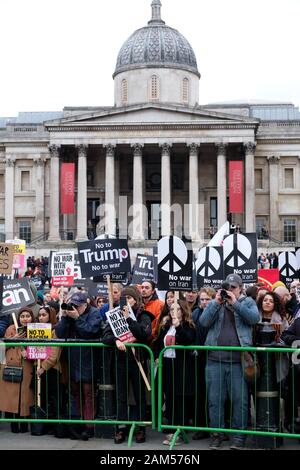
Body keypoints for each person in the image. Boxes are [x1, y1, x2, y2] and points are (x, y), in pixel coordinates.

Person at [200, 273, 259, 449]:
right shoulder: (216, 302)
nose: (229, 290)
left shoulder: (247, 302)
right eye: (227, 287)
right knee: (215, 400)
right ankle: (217, 435)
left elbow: (253, 319)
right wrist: (216, 303)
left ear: (240, 288)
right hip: (214, 360)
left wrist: (235, 303)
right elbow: (203, 322)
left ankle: (239, 437)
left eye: (233, 287)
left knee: (240, 401)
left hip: (238, 361)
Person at [102, 286, 154, 444]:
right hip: (121, 361)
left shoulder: (143, 315)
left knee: (139, 396)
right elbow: (105, 336)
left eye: (130, 298)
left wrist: (129, 320)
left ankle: (140, 428)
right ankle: (121, 428)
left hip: (138, 361)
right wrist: (116, 340)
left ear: (136, 300)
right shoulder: (114, 316)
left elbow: (144, 334)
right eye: (124, 298)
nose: (127, 302)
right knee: (121, 396)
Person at [55, 291, 102, 440]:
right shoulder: (70, 315)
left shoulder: (95, 313)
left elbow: (90, 332)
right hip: (73, 359)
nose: (74, 308)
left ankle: (89, 426)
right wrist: (64, 317)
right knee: (75, 392)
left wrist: (78, 318)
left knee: (88, 393)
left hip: (88, 359)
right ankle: (79, 423)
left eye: (77, 306)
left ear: (85, 304)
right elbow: (60, 333)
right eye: (72, 305)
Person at [153, 299, 196, 446]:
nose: (173, 312)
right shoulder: (166, 326)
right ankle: (170, 428)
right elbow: (159, 342)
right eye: (171, 309)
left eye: (176, 309)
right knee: (169, 398)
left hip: (181, 367)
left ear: (183, 311)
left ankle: (179, 429)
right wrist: (158, 356)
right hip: (167, 366)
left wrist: (179, 327)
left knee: (179, 398)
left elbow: (188, 340)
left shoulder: (188, 326)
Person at [0, 307, 35, 433]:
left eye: (27, 316)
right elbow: (2, 347)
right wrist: (13, 339)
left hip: (27, 365)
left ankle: (24, 425)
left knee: (25, 396)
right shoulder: (10, 329)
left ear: (32, 317)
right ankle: (14, 425)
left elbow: (41, 349)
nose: (25, 319)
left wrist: (29, 354)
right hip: (11, 365)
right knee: (12, 396)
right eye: (22, 316)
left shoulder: (36, 329)